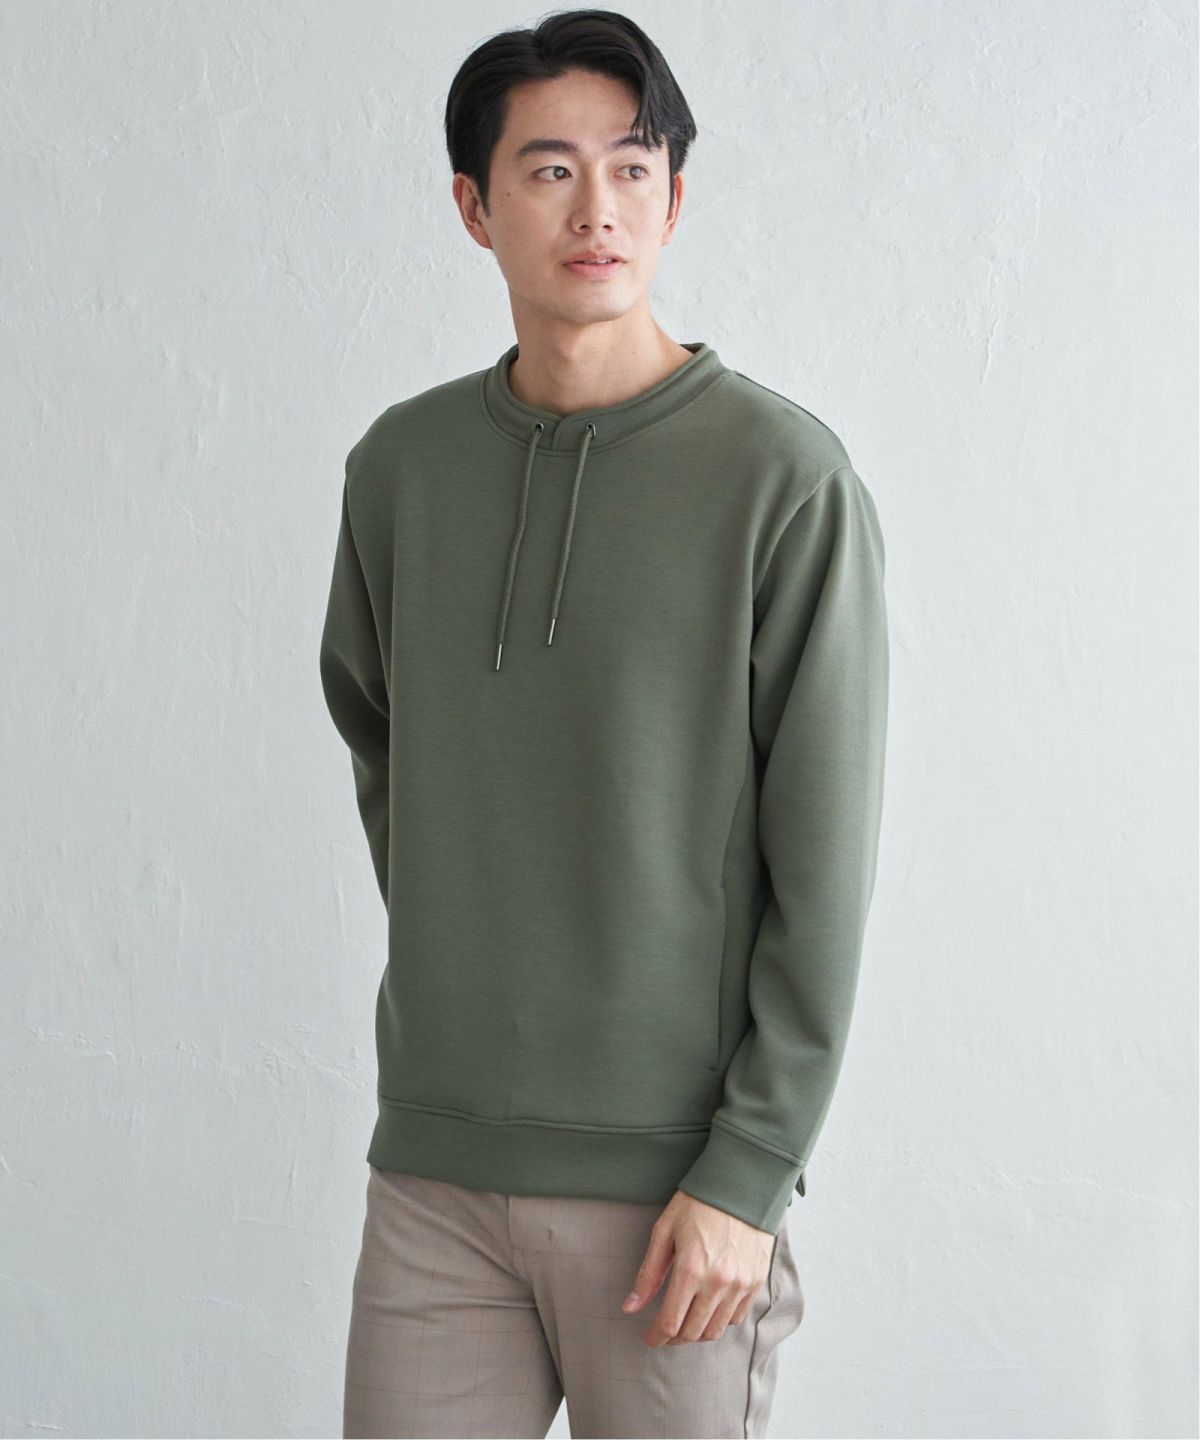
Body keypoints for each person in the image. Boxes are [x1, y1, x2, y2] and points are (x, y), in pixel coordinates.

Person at [319, 10, 889, 1437]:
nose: (598, 209)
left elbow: (825, 860)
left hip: (679, 1195)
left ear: (674, 201)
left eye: (635, 168)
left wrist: (750, 1169)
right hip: (436, 1177)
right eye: (551, 169)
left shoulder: (782, 479)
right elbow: (385, 750)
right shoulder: (402, 470)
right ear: (474, 206)